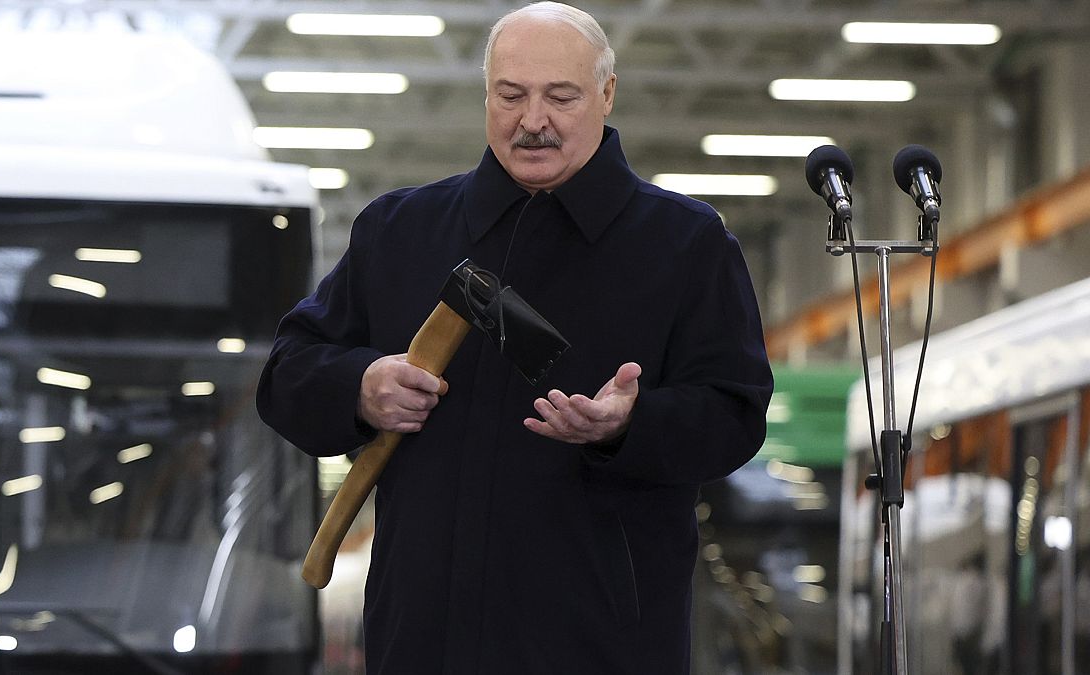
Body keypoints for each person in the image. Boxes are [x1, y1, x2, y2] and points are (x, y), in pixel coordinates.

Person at [257, 3, 773, 673]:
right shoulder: (400, 231)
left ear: (606, 94)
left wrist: (628, 424)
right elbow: (285, 372)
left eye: (561, 96)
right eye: (511, 96)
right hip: (421, 645)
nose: (534, 120)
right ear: (486, 96)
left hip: (603, 648)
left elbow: (736, 414)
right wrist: (361, 386)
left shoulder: (685, 244)